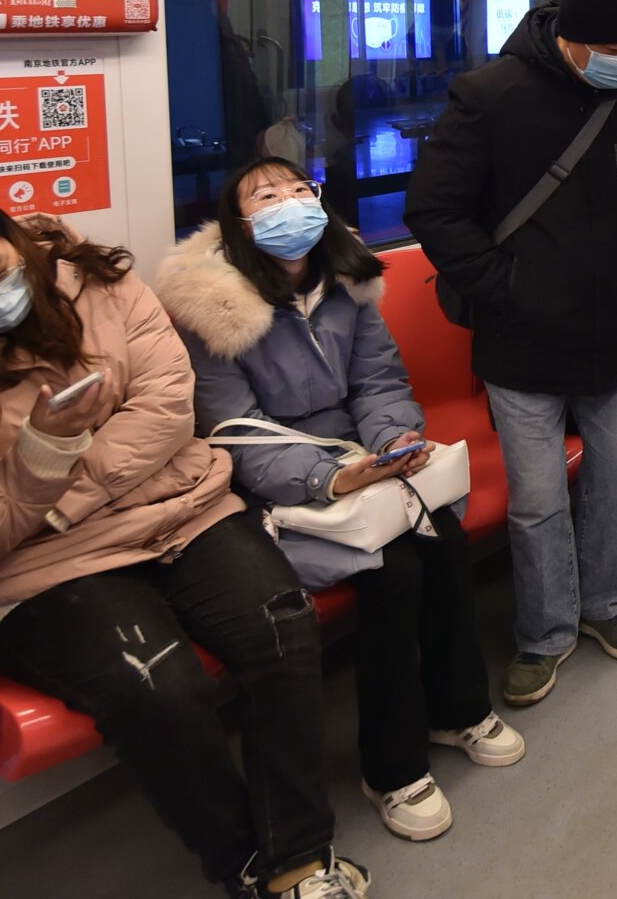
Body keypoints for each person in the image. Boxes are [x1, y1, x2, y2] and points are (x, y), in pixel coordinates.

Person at [0, 191, 365, 899]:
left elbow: (167, 405)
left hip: (176, 505)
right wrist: (39, 453)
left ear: (13, 238)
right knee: (159, 688)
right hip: (45, 565)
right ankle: (244, 865)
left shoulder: (94, 277)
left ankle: (297, 856)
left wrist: (59, 496)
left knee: (283, 626)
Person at [159, 158, 522, 845]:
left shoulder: (346, 281)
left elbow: (379, 380)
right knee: (393, 573)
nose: (290, 202)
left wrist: (393, 441)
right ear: (241, 222)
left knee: (442, 542)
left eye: (301, 190)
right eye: (268, 195)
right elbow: (231, 432)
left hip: (362, 458)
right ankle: (391, 768)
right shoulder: (209, 309)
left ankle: (457, 708)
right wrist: (330, 481)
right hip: (275, 489)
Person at [404, 0, 617, 708]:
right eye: (614, 50)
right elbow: (433, 208)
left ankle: (605, 605)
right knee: (539, 499)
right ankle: (544, 632)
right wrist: (504, 288)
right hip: (521, 341)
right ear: (571, 38)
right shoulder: (491, 95)